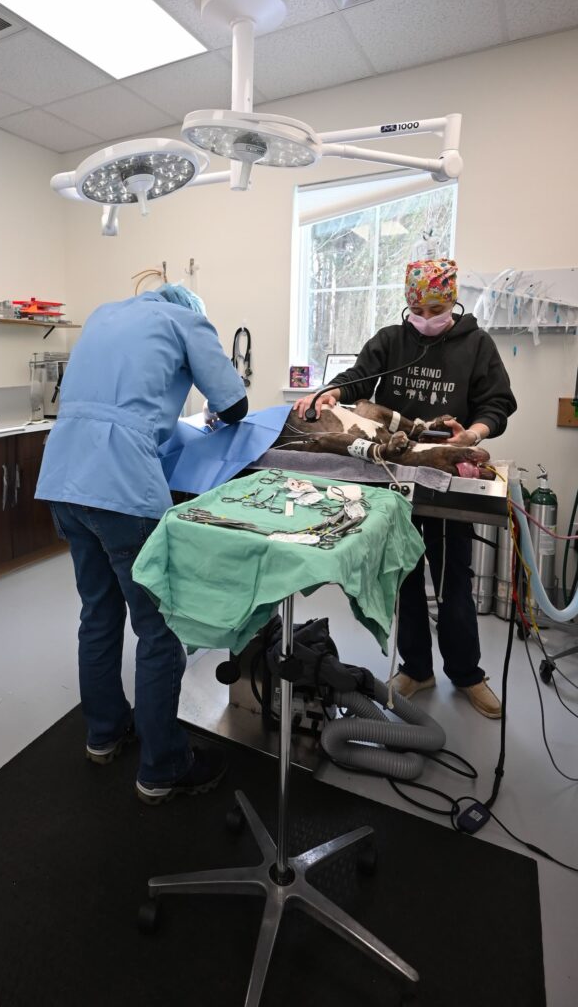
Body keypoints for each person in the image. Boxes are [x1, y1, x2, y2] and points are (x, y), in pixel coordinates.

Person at [36, 283, 247, 801]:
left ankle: (104, 735)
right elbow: (235, 404)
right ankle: (164, 765)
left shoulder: (103, 314)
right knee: (157, 630)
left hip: (64, 477)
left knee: (98, 614)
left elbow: (121, 408)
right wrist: (214, 416)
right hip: (122, 489)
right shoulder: (187, 321)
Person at [293, 259, 516, 719]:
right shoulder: (392, 341)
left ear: (452, 302)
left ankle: (467, 672)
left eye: (435, 309)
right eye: (417, 309)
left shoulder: (476, 344)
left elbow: (496, 404)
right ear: (407, 303)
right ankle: (417, 667)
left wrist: (471, 435)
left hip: (448, 474)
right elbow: (355, 378)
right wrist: (328, 395)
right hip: (396, 473)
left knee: (454, 578)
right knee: (405, 573)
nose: (426, 317)